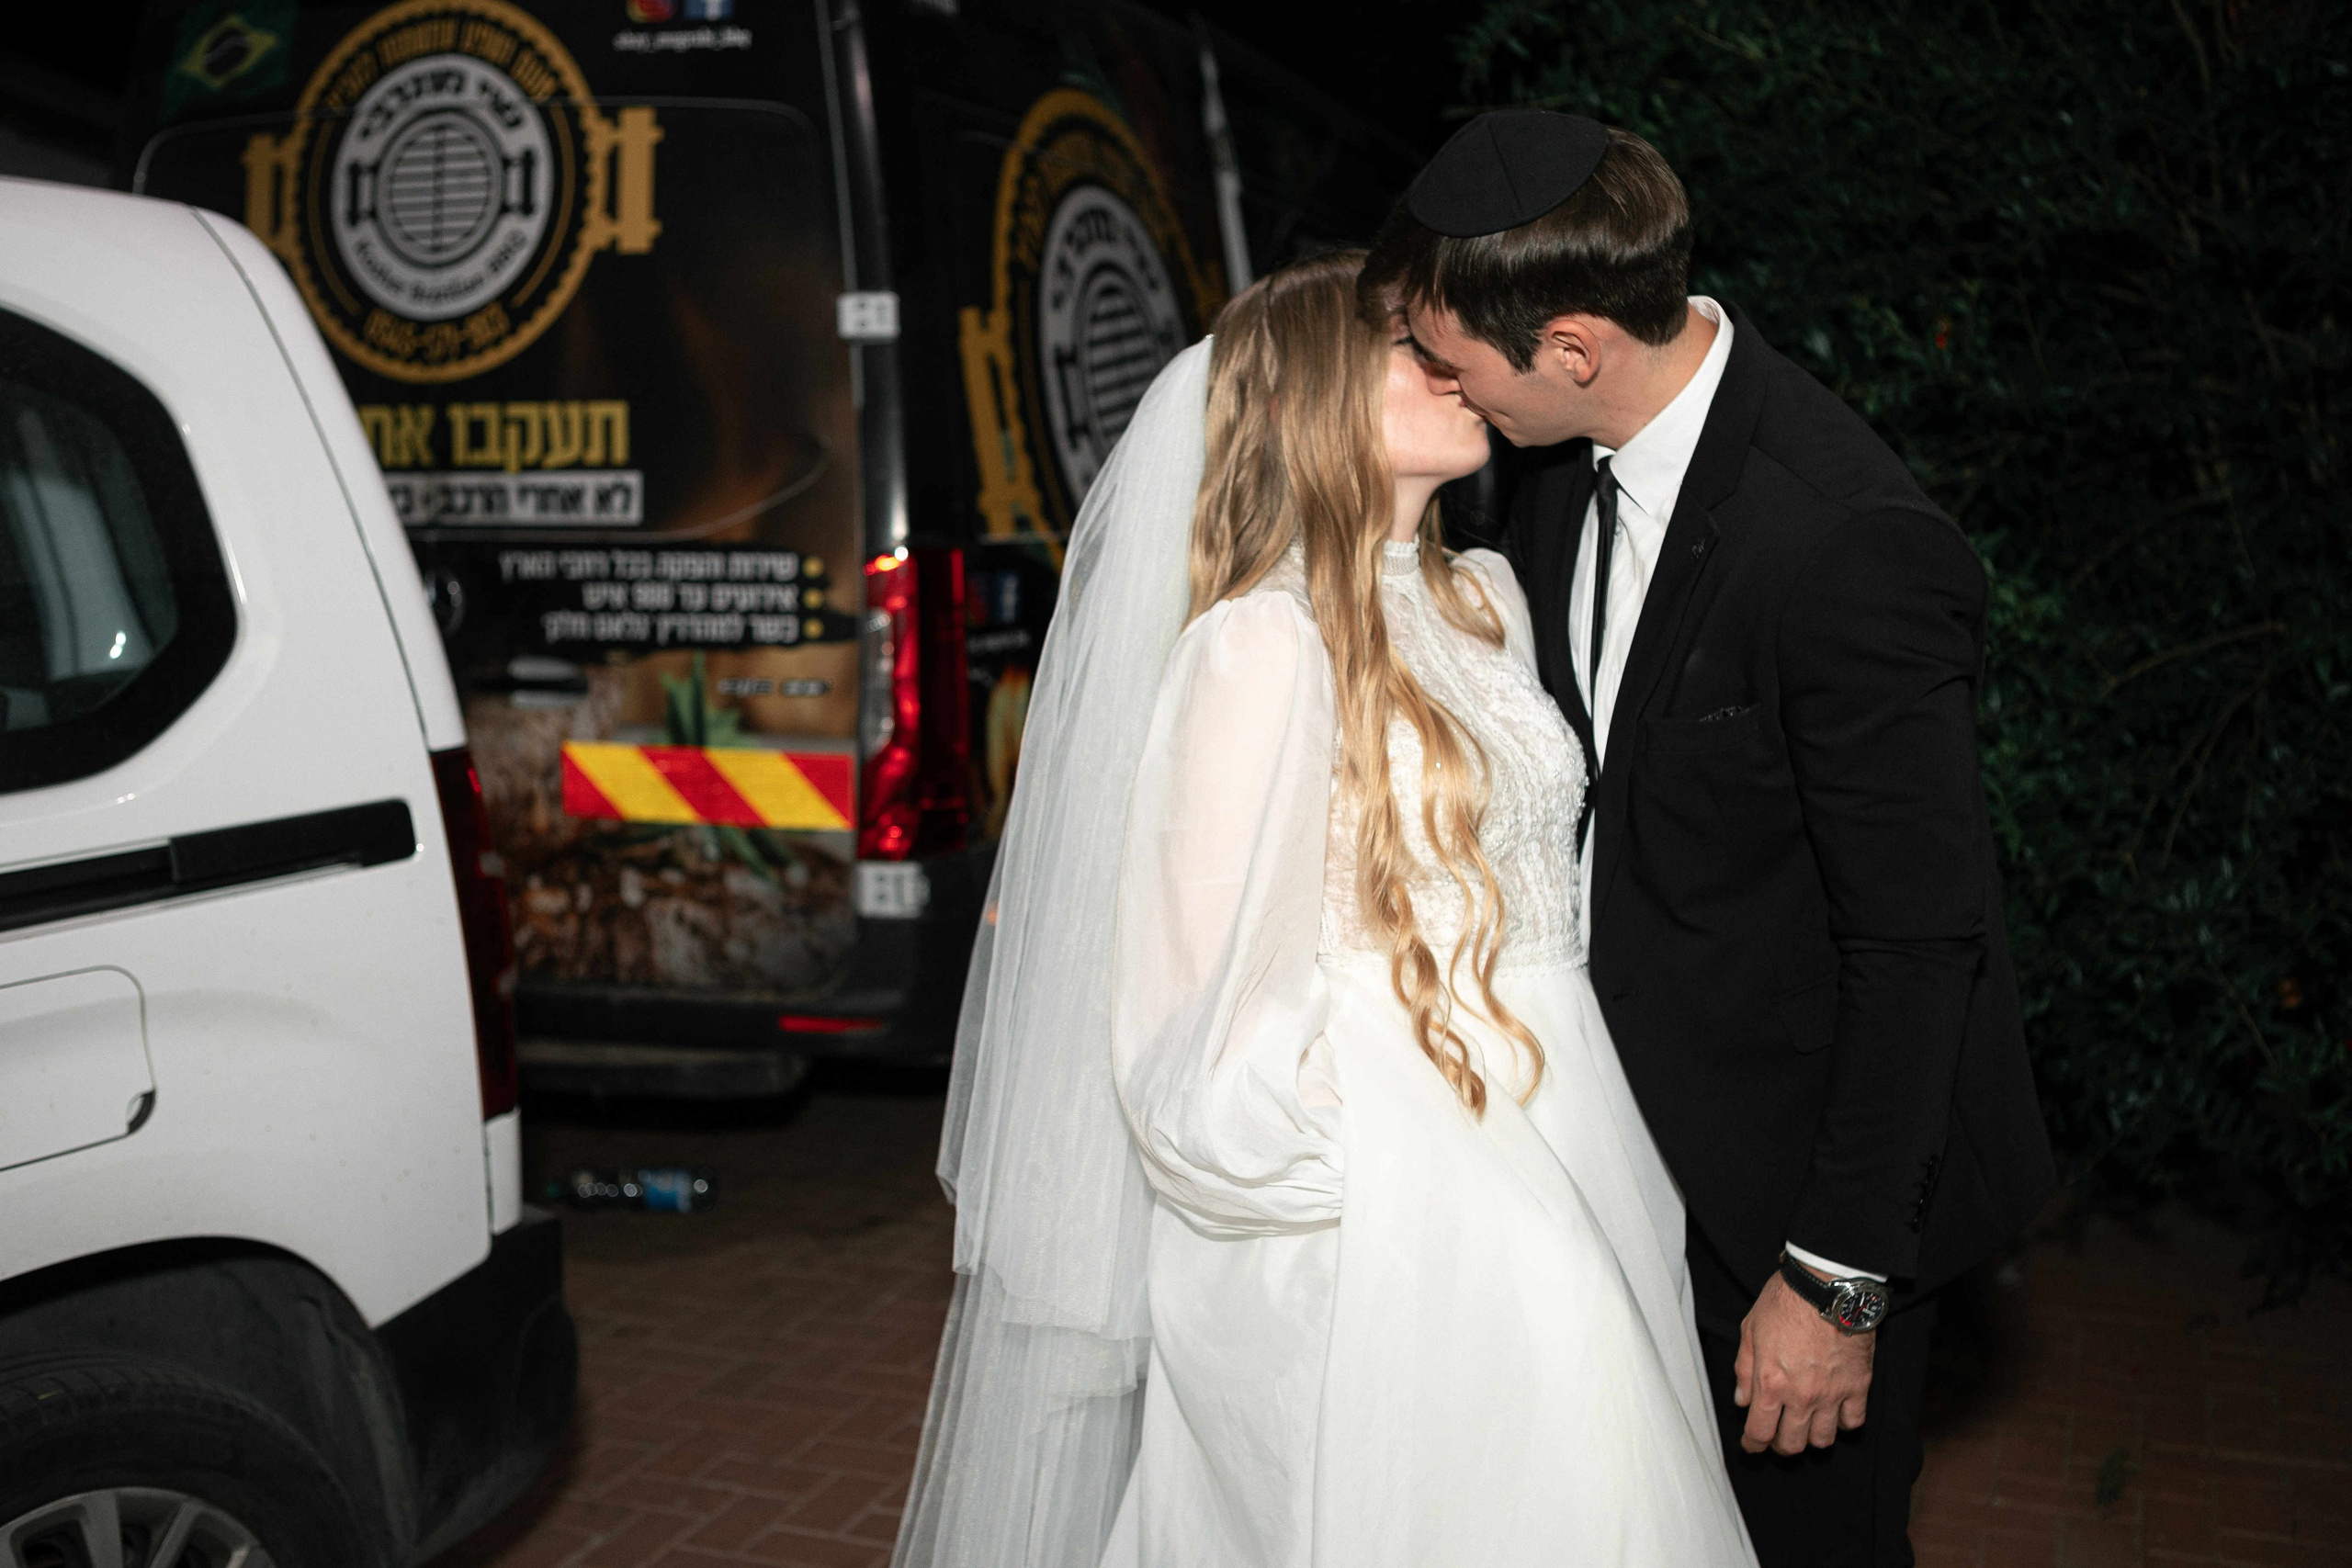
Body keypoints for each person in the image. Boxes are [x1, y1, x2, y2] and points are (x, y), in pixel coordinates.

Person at [895, 248, 1756, 1568]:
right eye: (1413, 351)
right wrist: (1377, 1172)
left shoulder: (1488, 600)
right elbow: (1181, 1020)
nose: (1455, 364)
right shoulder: (1256, 645)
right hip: (1383, 1209)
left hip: (1573, 1125)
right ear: (1313, 402)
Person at [1359, 112, 2058, 1566]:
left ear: (1567, 343)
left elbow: (1923, 943)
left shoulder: (1848, 542)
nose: (1439, 385)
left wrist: (1837, 1281)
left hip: (1788, 1209)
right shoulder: (1556, 465)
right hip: (1617, 1169)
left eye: (1451, 358)